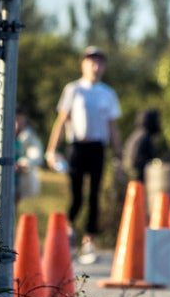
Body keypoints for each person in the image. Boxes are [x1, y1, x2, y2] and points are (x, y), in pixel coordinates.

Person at [47, 47, 121, 263]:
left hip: (97, 148)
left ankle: (89, 240)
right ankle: (70, 231)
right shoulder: (74, 90)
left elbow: (112, 127)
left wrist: (118, 155)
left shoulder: (108, 93)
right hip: (77, 147)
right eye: (91, 62)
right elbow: (61, 121)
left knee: (94, 195)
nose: (95, 67)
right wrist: (52, 150)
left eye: (99, 63)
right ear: (83, 64)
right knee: (77, 194)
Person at [14, 109, 45, 203]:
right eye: (17, 120)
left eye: (22, 121)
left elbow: (36, 154)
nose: (19, 124)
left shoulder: (29, 136)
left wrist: (23, 163)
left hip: (19, 177)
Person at [125, 107, 164, 180]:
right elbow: (140, 161)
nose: (159, 123)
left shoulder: (138, 134)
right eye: (157, 120)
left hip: (133, 174)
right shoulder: (145, 137)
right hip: (139, 177)